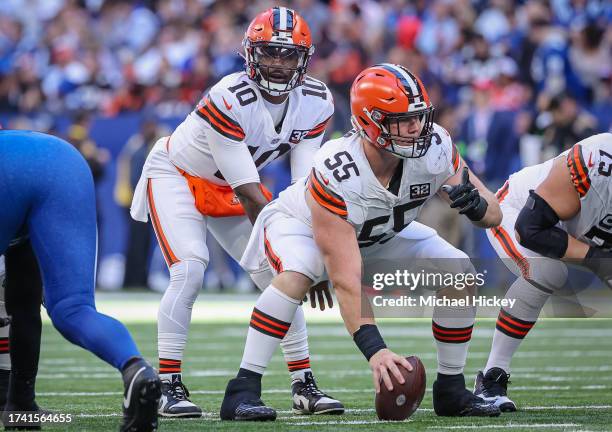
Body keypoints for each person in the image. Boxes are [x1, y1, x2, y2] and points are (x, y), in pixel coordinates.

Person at [220, 63, 503, 421]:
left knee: (459, 272)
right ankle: (242, 388)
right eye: (403, 119)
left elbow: (495, 213)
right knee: (302, 270)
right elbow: (346, 282)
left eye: (419, 116)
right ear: (371, 122)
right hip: (299, 226)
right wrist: (377, 352)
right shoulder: (339, 170)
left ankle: (451, 390)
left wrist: (478, 207)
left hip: (377, 234)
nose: (417, 127)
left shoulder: (435, 147)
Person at [130, 6, 343, 418]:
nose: (279, 64)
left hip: (229, 185)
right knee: (190, 268)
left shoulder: (316, 100)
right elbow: (249, 192)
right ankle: (167, 385)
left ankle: (303, 384)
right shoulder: (230, 95)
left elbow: (305, 188)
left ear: (305, 59)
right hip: (179, 174)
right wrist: (293, 247)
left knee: (285, 278)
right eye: (269, 53)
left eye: (288, 55)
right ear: (250, 53)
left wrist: (309, 252)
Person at [0, 130, 160, 432]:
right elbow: (22, 301)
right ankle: (135, 368)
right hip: (62, 160)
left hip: (12, 171)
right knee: (72, 308)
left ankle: (19, 403)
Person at [475, 132, 612, 412]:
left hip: (573, 231)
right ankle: (492, 378)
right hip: (514, 211)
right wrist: (598, 259)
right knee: (548, 271)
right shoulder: (596, 161)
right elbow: (530, 230)